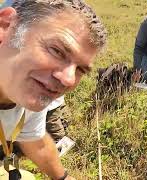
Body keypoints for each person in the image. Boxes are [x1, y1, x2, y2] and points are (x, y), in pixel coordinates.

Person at [0, 0, 106, 179]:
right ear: (6, 26)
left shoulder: (26, 90)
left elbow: (36, 141)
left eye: (80, 69)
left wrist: (63, 178)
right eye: (57, 51)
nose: (68, 79)